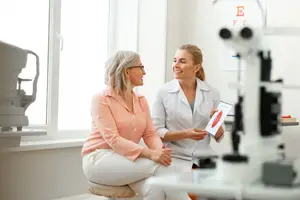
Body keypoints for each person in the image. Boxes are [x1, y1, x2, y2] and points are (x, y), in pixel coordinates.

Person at [81, 50, 190, 200]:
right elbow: (113, 139)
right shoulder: (101, 99)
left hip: (126, 158)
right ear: (127, 71)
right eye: (141, 67)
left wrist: (160, 152)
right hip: (99, 158)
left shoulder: (140, 100)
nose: (144, 72)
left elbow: (150, 133)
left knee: (154, 188)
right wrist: (151, 154)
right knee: (162, 168)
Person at [151, 44, 224, 173]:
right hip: (174, 156)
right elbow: (157, 132)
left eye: (182, 61)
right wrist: (185, 134)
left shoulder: (213, 93)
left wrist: (215, 123)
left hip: (204, 156)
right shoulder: (163, 92)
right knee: (190, 190)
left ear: (196, 67)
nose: (176, 65)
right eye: (175, 60)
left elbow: (218, 137)